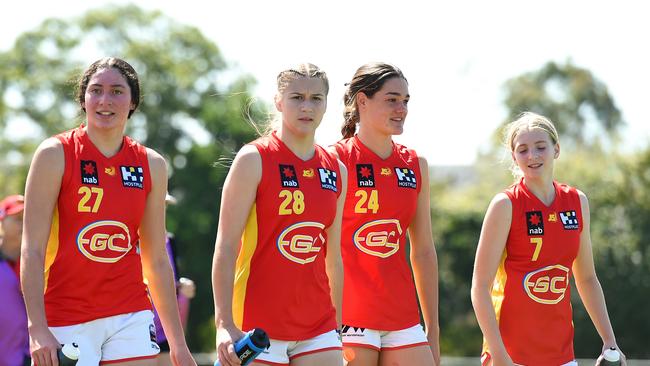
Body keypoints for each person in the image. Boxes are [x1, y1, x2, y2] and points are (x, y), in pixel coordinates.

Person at [20, 57, 196, 366]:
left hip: (130, 314)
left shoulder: (152, 164)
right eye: (96, 90)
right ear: (83, 99)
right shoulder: (54, 154)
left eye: (117, 91)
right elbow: (31, 249)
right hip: (64, 315)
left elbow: (155, 259)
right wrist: (36, 327)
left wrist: (178, 344)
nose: (105, 100)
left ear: (133, 102)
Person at [212, 63, 347, 366]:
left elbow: (333, 256)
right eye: (296, 97)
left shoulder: (336, 169)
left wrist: (337, 323)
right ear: (278, 101)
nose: (306, 106)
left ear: (327, 104)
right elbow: (226, 246)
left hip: (319, 324)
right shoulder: (253, 159)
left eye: (316, 99)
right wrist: (223, 324)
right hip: (256, 324)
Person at [471, 112, 626, 366]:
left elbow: (586, 278)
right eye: (523, 150)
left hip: (561, 356)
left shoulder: (577, 201)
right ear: (514, 157)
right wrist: (500, 356)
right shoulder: (505, 205)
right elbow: (479, 287)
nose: (532, 156)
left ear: (556, 149)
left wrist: (610, 341)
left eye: (540, 147)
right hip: (511, 356)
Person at [332, 62, 439, 366]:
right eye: (391, 99)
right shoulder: (335, 159)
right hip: (348, 318)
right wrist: (327, 325)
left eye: (405, 101)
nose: (401, 108)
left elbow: (424, 252)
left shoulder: (415, 164)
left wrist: (433, 330)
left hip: (403, 319)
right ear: (362, 101)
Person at [154, 193, 196, 366]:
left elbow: (174, 283)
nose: (162, 210)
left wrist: (185, 289)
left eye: (164, 205)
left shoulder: (170, 241)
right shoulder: (130, 240)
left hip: (165, 332)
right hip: (136, 331)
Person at [0, 194, 31, 366]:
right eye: (18, 218)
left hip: (26, 356)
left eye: (27, 218)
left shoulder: (37, 263)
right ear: (2, 221)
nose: (24, 223)